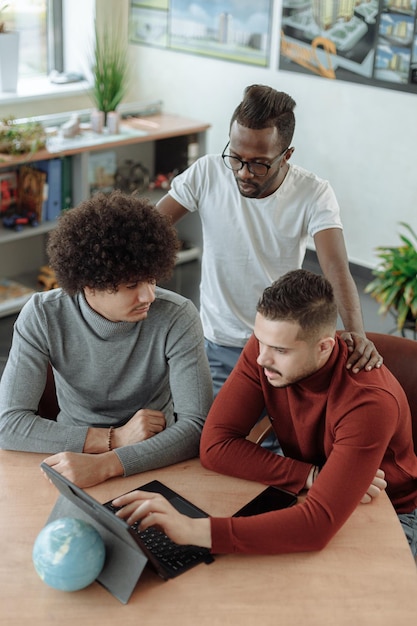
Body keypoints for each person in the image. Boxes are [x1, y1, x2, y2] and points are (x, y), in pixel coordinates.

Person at [112, 270, 417, 557]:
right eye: (260, 340)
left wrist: (192, 529)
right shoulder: (265, 349)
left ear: (324, 346)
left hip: (389, 510)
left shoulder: (369, 402)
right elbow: (215, 446)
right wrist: (310, 476)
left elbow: (315, 527)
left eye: (281, 351)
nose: (261, 358)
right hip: (314, 494)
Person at [157, 84, 382, 396]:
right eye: (235, 158)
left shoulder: (313, 193)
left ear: (286, 155)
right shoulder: (208, 172)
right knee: (214, 437)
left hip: (280, 346)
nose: (244, 172)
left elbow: (335, 267)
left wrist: (358, 333)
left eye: (259, 163)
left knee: (279, 439)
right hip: (217, 341)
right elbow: (150, 229)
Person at [0, 190, 213, 488]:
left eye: (152, 279)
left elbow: (197, 427)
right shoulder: (42, 315)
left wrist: (108, 464)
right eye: (131, 284)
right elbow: (9, 425)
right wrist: (114, 439)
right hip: (70, 457)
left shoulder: (178, 316)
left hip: (156, 454)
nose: (149, 295)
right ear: (90, 283)